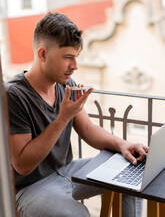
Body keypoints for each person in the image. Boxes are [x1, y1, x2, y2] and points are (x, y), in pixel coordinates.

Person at [6, 12, 148, 217]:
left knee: (131, 170)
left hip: (66, 170)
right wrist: (63, 117)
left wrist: (122, 144)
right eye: (67, 57)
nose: (75, 66)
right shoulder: (13, 96)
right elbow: (23, 165)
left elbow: (88, 129)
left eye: (76, 57)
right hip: (30, 188)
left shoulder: (66, 85)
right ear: (43, 54)